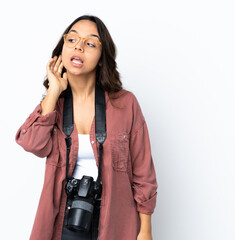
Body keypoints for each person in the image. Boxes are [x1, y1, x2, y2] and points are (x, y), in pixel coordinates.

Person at [15, 15, 158, 240]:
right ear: (62, 50)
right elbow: (32, 143)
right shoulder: (54, 107)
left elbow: (143, 172)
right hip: (64, 216)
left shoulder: (125, 104)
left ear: (102, 58)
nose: (79, 46)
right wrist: (53, 91)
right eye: (72, 40)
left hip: (114, 219)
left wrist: (145, 229)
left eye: (90, 43)